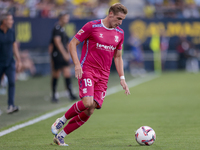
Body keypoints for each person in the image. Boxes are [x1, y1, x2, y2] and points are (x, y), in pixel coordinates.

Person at [51, 3, 130, 146]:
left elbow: (118, 57)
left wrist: (122, 78)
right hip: (88, 70)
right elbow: (72, 44)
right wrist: (76, 64)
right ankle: (61, 120)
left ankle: (61, 135)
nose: (120, 22)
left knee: (90, 110)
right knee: (87, 102)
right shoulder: (92, 26)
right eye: (119, 18)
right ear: (110, 14)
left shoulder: (120, 33)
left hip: (104, 76)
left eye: (122, 20)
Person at [49, 12, 77, 103]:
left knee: (67, 73)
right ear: (61, 18)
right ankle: (54, 95)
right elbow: (57, 42)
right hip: (57, 54)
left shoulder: (62, 29)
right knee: (56, 74)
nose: (67, 20)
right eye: (65, 18)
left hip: (62, 54)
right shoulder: (57, 28)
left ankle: (70, 93)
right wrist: (65, 53)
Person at [0, 13, 22, 114]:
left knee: (12, 82)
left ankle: (11, 105)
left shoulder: (12, 32)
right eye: (10, 20)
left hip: (9, 62)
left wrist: (18, 60)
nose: (12, 22)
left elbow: (14, 46)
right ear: (4, 21)